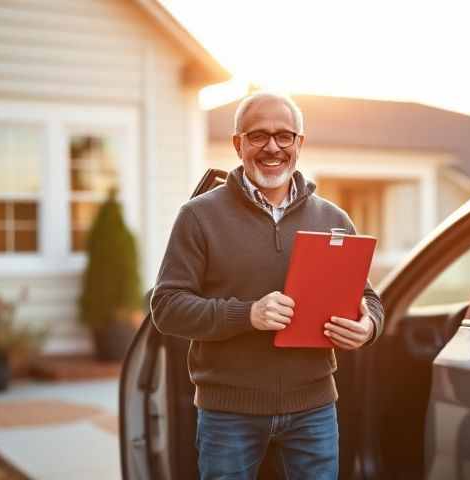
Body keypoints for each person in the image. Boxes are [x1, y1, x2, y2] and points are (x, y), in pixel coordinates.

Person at [150, 92, 384, 479]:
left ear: (300, 144)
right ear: (238, 144)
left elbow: (369, 299)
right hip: (228, 414)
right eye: (258, 136)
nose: (272, 147)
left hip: (314, 410)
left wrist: (368, 326)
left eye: (285, 136)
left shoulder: (333, 218)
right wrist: (248, 314)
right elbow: (167, 306)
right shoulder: (198, 217)